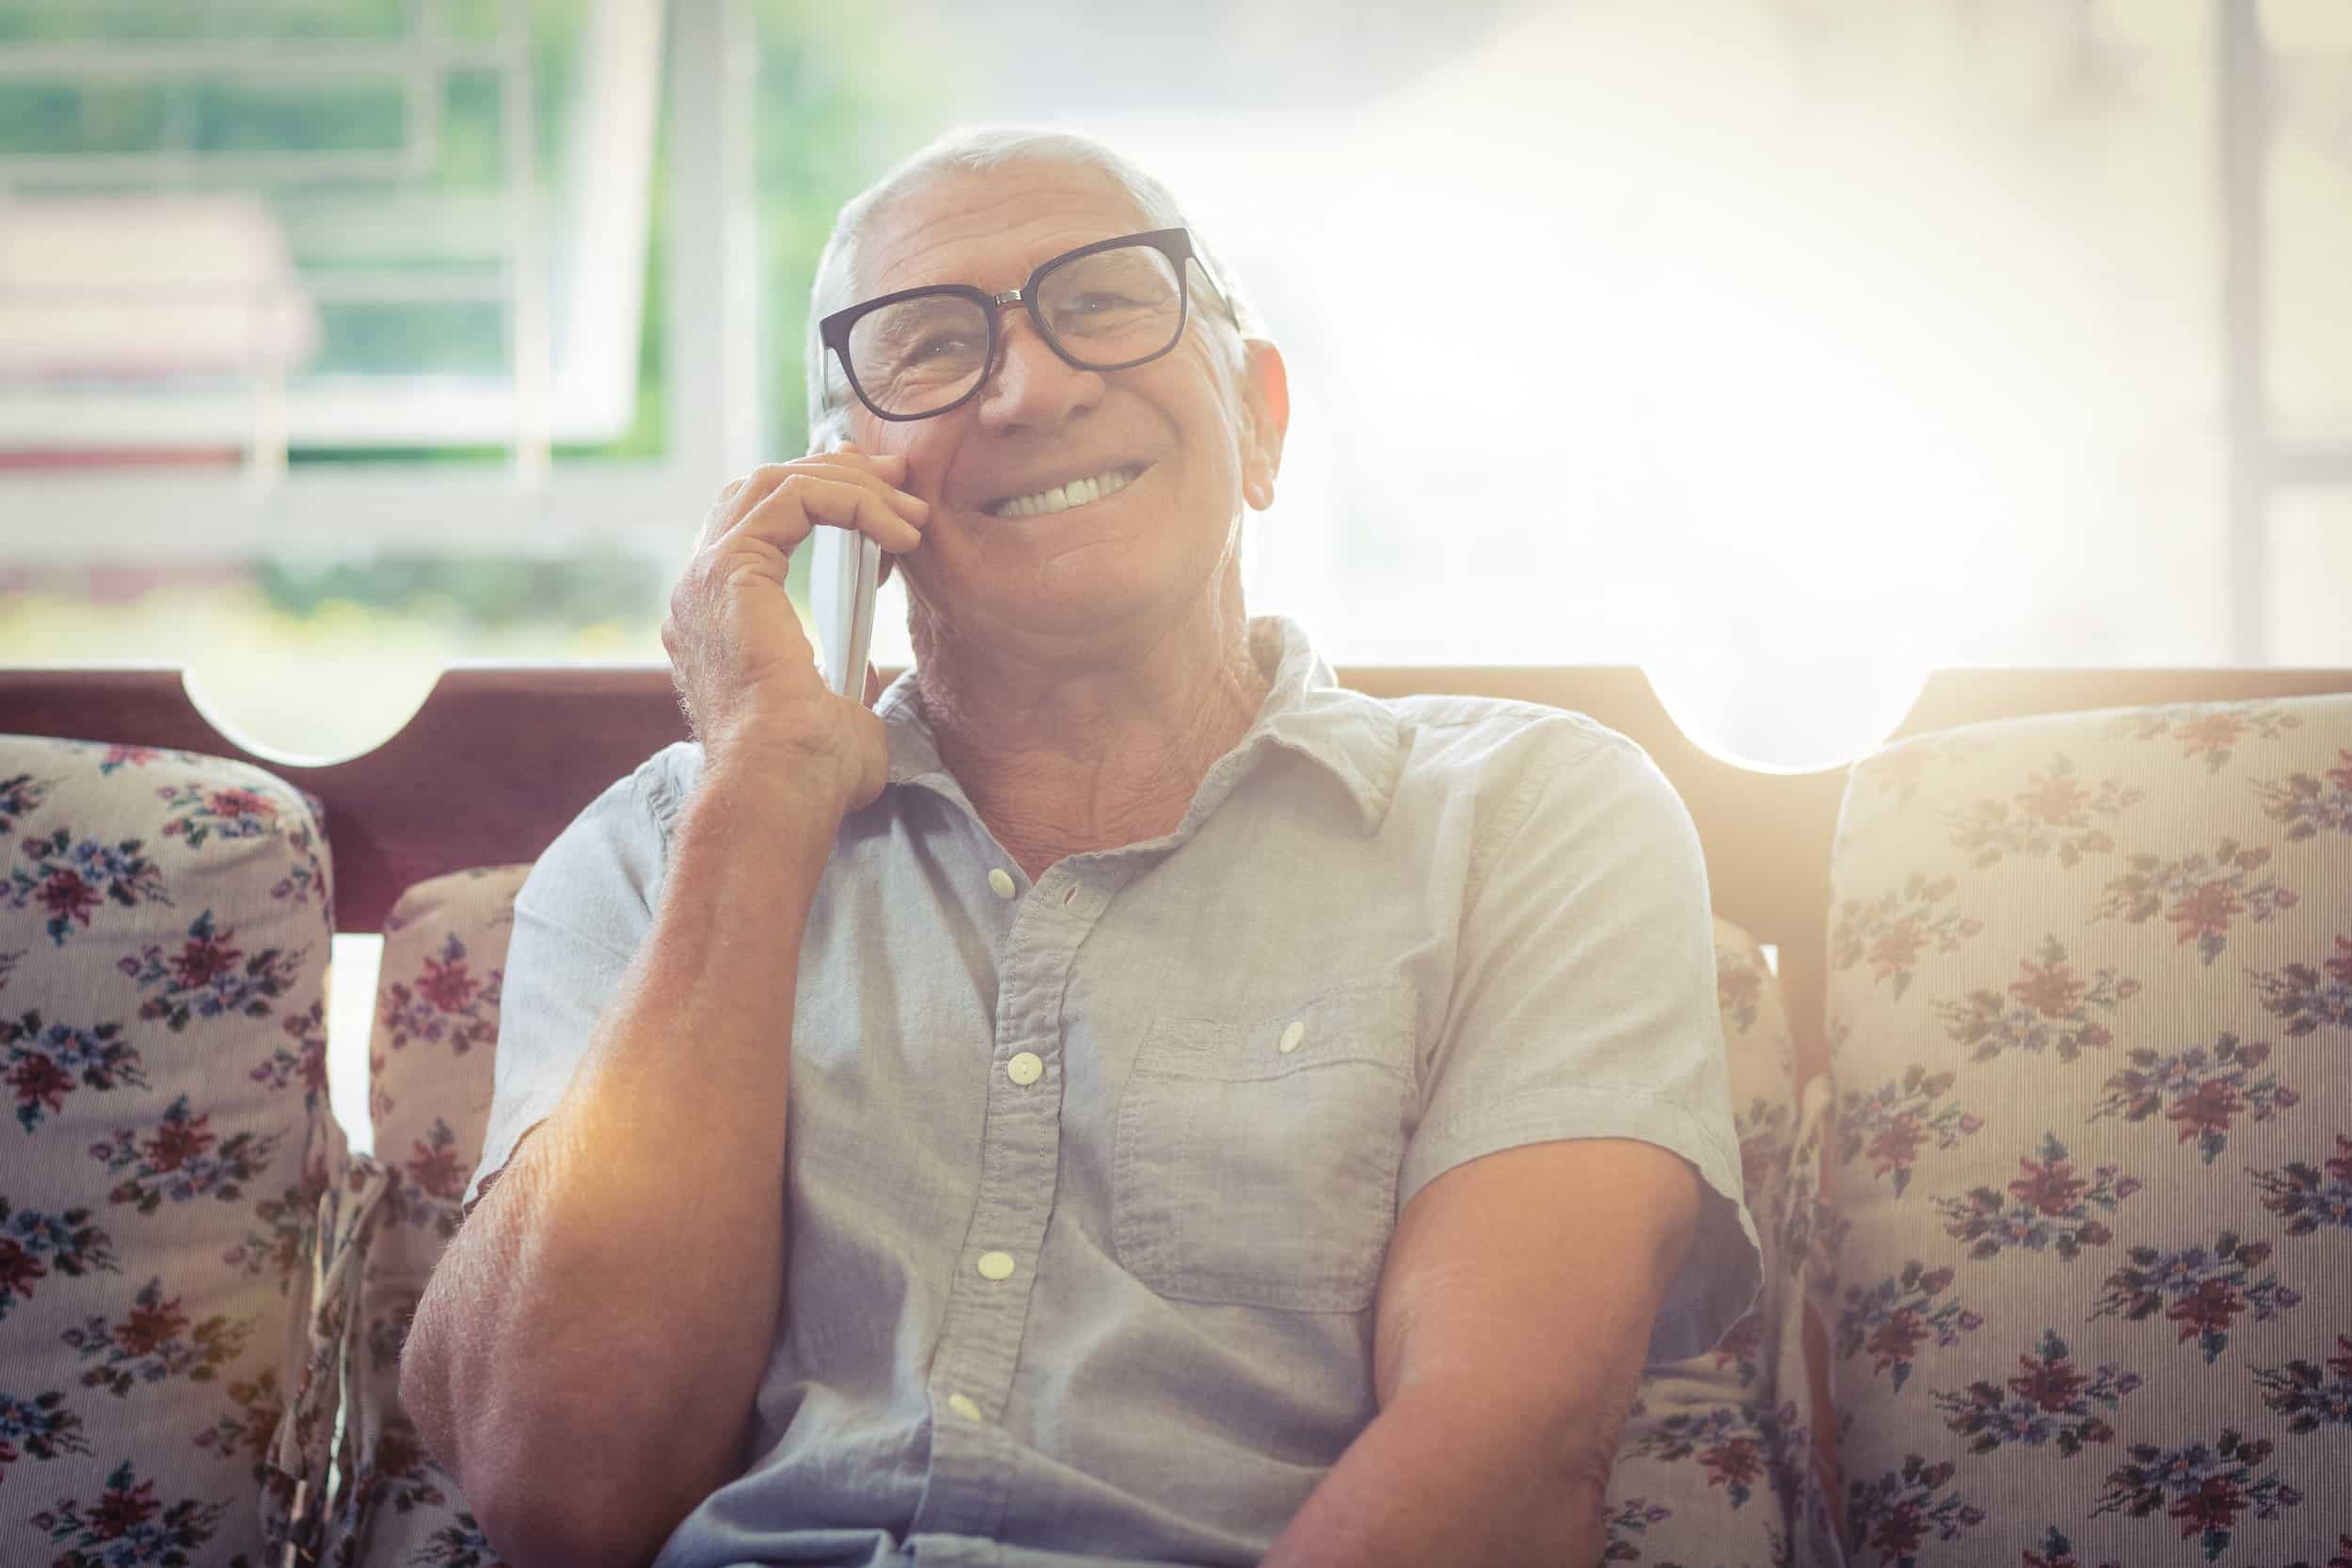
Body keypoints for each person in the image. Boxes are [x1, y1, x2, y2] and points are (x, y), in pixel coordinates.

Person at [402, 125, 1760, 1568]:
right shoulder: (662, 850)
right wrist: (760, 794)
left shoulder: (1536, 819)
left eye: (1105, 302)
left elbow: (1509, 1443)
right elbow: (559, 1492)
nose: (1033, 387)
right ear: (848, 483)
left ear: (1263, 418)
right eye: (927, 344)